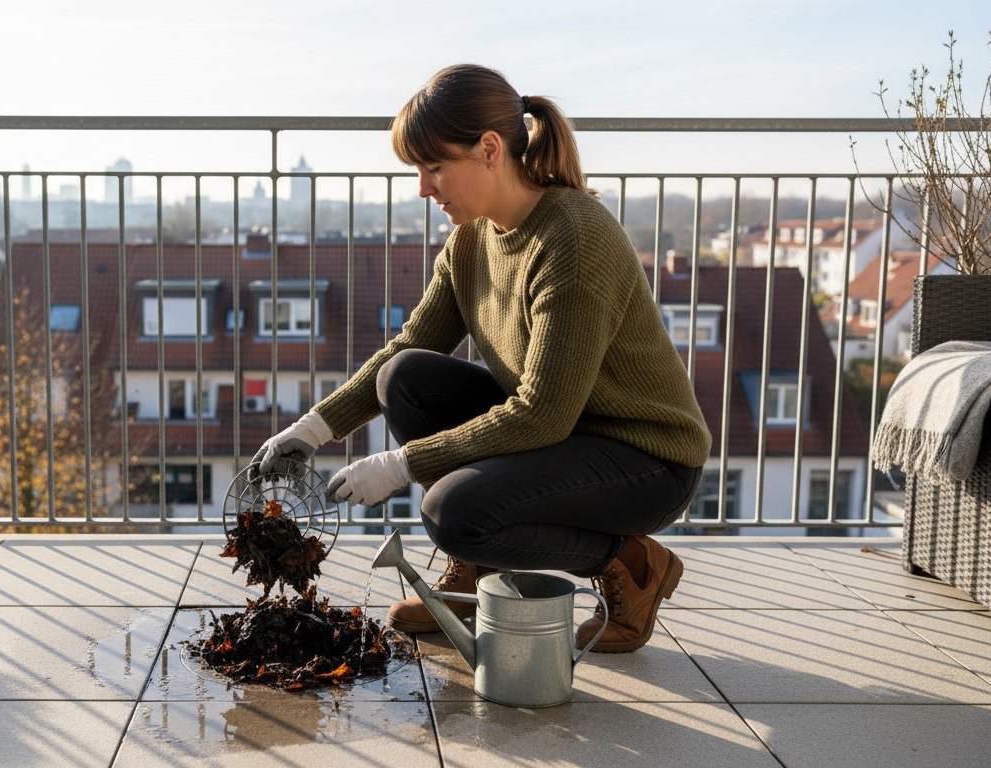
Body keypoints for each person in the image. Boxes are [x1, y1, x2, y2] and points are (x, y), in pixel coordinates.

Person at [250, 64, 710, 653]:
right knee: (406, 377)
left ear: (489, 149)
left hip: (642, 458)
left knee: (453, 512)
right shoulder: (472, 240)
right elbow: (408, 345)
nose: (423, 187)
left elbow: (541, 415)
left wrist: (400, 465)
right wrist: (314, 428)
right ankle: (473, 574)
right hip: (562, 434)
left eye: (434, 167)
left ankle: (631, 562)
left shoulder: (571, 241)